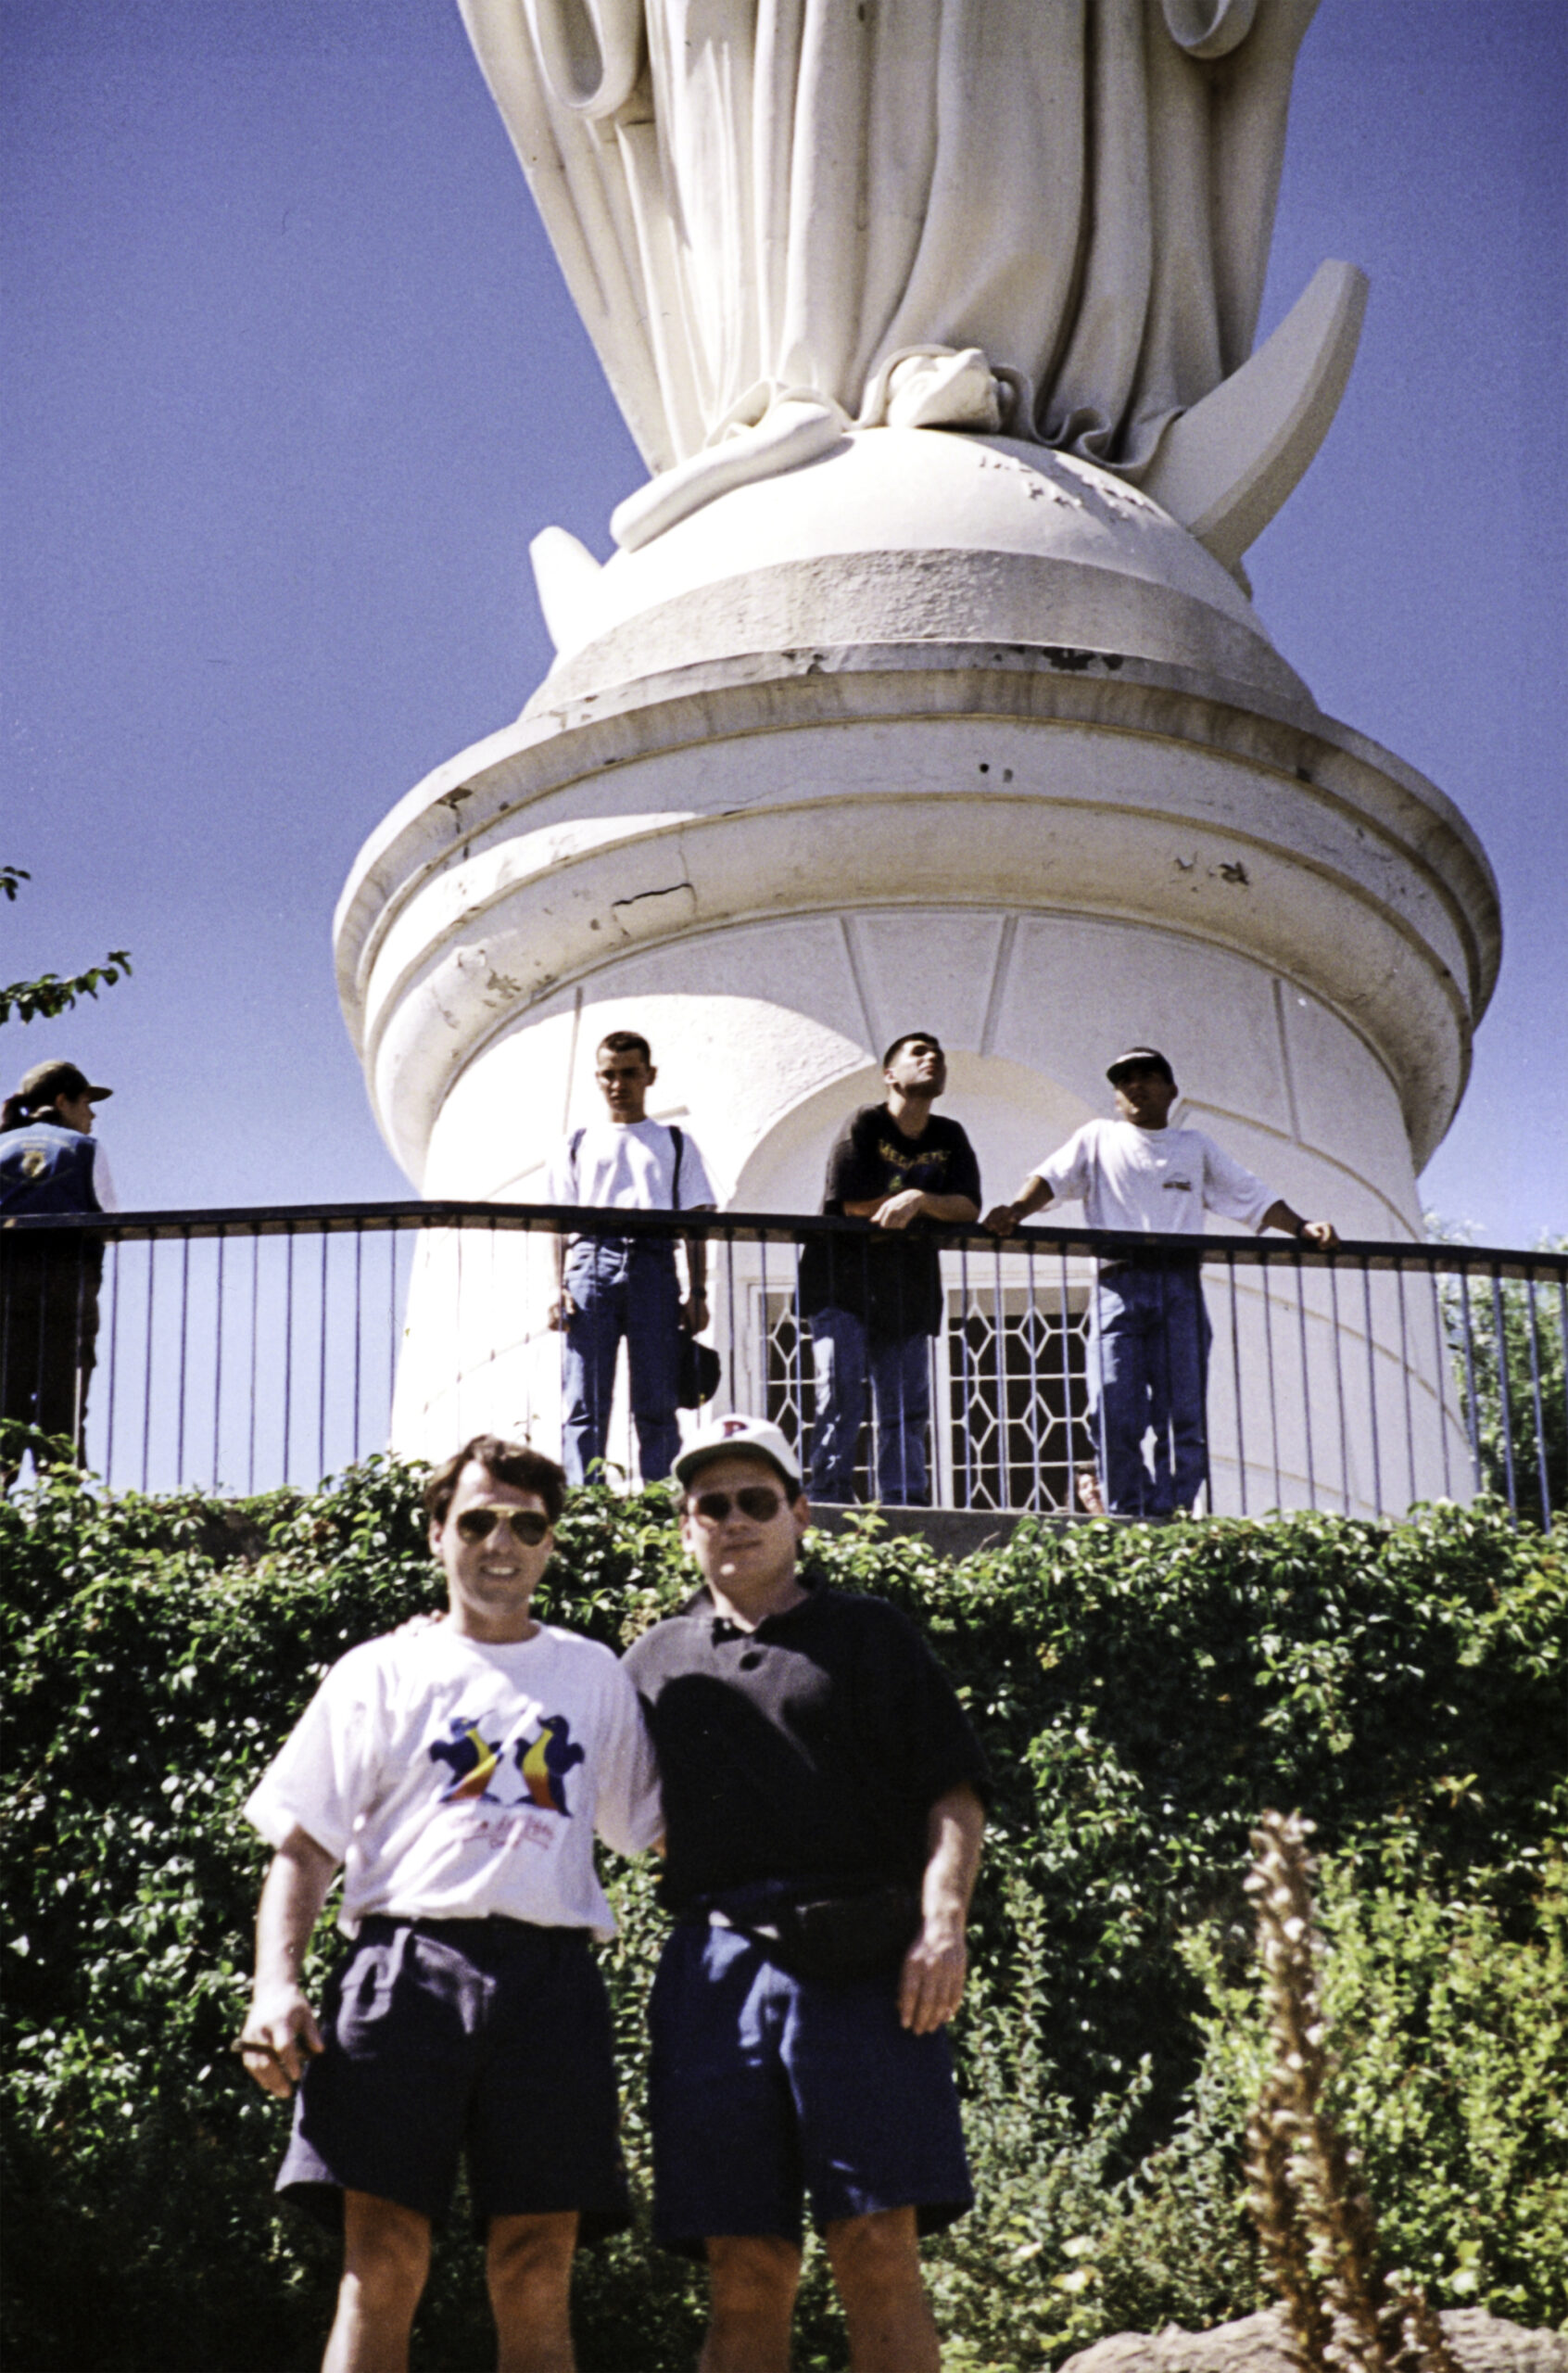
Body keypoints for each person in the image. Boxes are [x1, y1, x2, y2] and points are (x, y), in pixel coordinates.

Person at [236, 1434, 663, 2373]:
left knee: (536, 2267)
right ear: (437, 1533)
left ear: (551, 1542)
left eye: (526, 1526)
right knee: (382, 2262)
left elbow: (658, 1830)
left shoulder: (593, 1673)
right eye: (476, 1522)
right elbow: (304, 1846)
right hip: (403, 1974)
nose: (500, 1543)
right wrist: (276, 1985)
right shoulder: (378, 1671)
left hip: (550, 1984)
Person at [624, 1413, 988, 2373]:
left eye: (757, 1500)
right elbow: (618, 1806)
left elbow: (953, 1791)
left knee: (875, 2243)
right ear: (686, 1525)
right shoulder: (651, 1662)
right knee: (745, 2264)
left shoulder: (871, 1634)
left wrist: (942, 1924)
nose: (735, 1520)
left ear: (801, 1513)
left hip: (865, 1964)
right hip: (714, 1974)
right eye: (713, 1505)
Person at [983, 1047, 1338, 1516]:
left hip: (1178, 1288)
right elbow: (1052, 1177)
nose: (1135, 1085)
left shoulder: (1194, 1147)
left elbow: (1249, 1193)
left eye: (1148, 1076)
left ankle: (1172, 1513)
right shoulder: (1098, 1137)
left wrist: (1301, 1227)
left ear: (1171, 1090)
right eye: (1124, 1080)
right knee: (1113, 1408)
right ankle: (1127, 1512)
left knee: (1182, 1413)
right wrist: (1016, 1211)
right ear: (1116, 1097)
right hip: (1117, 1286)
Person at [798, 1033, 980, 1504]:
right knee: (841, 1393)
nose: (932, 1058)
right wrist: (926, 1207)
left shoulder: (949, 1135)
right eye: (918, 1053)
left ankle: (904, 1502)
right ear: (889, 1075)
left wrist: (917, 1199)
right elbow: (852, 1204)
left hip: (909, 1286)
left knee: (906, 1407)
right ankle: (828, 1497)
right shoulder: (866, 1123)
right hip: (841, 1281)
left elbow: (968, 1207)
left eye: (937, 1054)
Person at [548, 1030, 715, 1488]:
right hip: (591, 1261)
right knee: (585, 1398)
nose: (618, 1084)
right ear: (597, 1078)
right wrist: (554, 1288)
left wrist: (698, 1292)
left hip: (654, 1263)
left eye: (629, 1073)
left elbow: (697, 1221)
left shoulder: (674, 1142)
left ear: (649, 1076)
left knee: (657, 1400)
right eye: (608, 1075)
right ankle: (584, 1500)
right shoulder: (577, 1142)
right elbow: (556, 1224)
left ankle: (661, 1501)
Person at [1, 1059, 120, 1480]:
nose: (92, 1115)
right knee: (63, 1403)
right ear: (62, 1101)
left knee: (4, 1402)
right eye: (86, 1103)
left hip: (4, 1294)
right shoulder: (84, 1149)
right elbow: (111, 1221)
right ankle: (60, 1497)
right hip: (67, 1292)